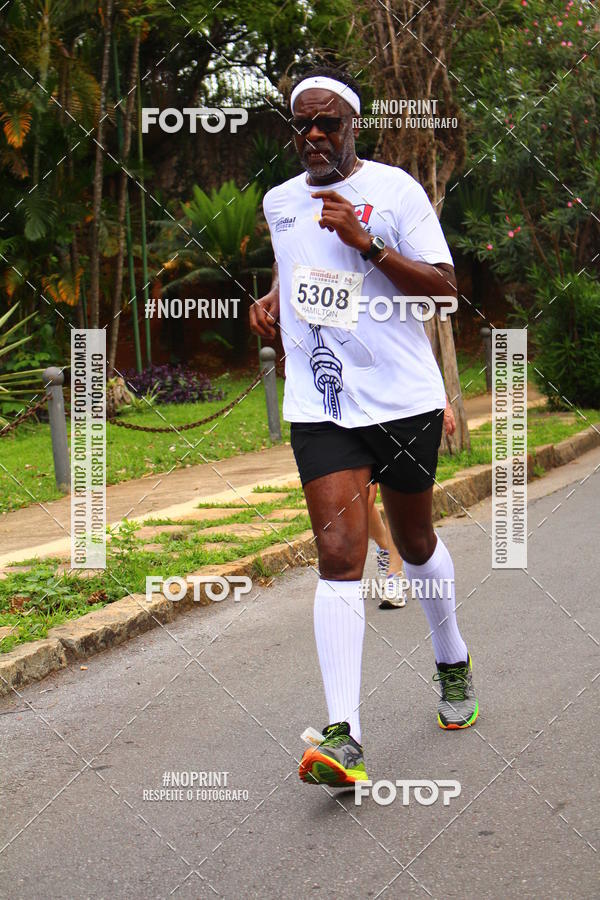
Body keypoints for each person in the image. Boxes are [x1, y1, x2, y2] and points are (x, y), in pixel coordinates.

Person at [250, 66, 478, 788]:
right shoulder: (280, 202)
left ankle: (451, 656)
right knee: (341, 552)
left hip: (404, 398)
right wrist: (273, 300)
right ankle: (344, 734)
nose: (314, 135)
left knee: (414, 543)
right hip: (323, 406)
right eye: (302, 125)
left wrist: (369, 243)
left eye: (329, 124)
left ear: (354, 127)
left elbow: (445, 290)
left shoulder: (398, 191)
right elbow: (300, 270)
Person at [369, 399, 456, 610]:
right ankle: (386, 547)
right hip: (350, 409)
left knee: (395, 487)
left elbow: (423, 363)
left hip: (395, 407)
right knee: (362, 497)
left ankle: (394, 574)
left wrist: (442, 400)